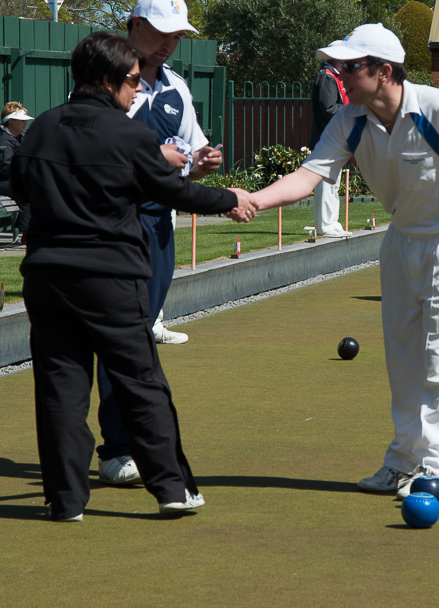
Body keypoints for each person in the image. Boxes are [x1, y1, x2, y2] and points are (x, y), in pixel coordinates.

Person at [251, 23, 439, 500]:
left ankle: (438, 469)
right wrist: (253, 200)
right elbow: (307, 177)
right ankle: (402, 461)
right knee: (402, 358)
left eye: (350, 66)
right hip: (400, 241)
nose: (340, 74)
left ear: (383, 71)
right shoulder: (349, 120)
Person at [9, 31, 257, 522]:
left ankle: (66, 500)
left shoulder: (41, 130)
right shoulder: (129, 135)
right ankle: (171, 489)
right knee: (140, 380)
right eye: (132, 80)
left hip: (46, 277)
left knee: (60, 388)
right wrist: (231, 198)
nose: (138, 88)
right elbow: (175, 192)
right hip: (110, 278)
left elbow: (21, 187)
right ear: (108, 80)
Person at [96, 0, 222, 486]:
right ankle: (117, 448)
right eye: (162, 32)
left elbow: (191, 150)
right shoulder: (105, 83)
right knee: (121, 335)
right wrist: (158, 159)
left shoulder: (177, 88)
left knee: (142, 330)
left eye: (178, 36)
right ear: (135, 26)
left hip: (159, 224)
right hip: (115, 223)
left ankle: (133, 442)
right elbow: (95, 150)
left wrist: (203, 160)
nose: (170, 43)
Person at [310, 41, 351, 238]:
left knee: (333, 184)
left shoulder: (333, 76)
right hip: (327, 139)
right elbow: (328, 108)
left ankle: (331, 222)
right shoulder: (327, 76)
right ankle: (325, 225)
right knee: (327, 184)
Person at [0, 102, 33, 244]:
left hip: (13, 179)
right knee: (28, 191)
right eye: (22, 120)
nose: (25, 123)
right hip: (3, 181)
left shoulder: (19, 137)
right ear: (11, 121)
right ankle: (26, 233)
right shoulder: (3, 139)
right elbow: (6, 167)